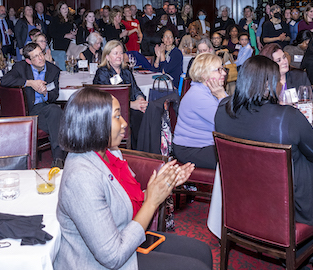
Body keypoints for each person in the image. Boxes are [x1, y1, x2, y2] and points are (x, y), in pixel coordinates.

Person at [54, 87, 210, 270]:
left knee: (203, 252)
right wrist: (151, 201)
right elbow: (113, 257)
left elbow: (120, 201)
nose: (124, 123)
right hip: (100, 263)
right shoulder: (81, 177)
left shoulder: (109, 155)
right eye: (116, 116)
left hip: (125, 237)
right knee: (196, 267)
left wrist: (162, 186)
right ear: (94, 123)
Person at [214, 56, 313, 227]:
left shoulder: (222, 110)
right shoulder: (287, 117)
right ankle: (312, 248)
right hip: (290, 201)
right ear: (268, 84)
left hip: (243, 195)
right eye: (277, 81)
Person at [1, 42, 64, 168]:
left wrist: (45, 93)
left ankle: (58, 158)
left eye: (41, 53)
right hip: (26, 109)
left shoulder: (53, 70)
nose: (40, 58)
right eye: (35, 56)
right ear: (29, 61)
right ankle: (61, 154)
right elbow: (4, 80)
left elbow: (54, 95)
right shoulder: (21, 67)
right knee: (60, 119)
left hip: (44, 108)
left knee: (55, 111)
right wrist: (30, 83)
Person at [172, 53, 227, 169]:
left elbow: (233, 112)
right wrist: (222, 95)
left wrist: (222, 94)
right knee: (234, 158)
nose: (224, 73)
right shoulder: (198, 95)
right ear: (204, 74)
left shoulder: (211, 90)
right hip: (190, 149)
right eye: (218, 70)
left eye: (222, 69)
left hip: (206, 145)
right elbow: (227, 121)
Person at [93, 40, 149, 144]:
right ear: (107, 57)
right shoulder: (102, 73)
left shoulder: (126, 72)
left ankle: (145, 150)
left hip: (129, 110)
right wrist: (131, 104)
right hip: (109, 112)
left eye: (121, 53)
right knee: (136, 116)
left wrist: (140, 99)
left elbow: (136, 89)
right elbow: (106, 99)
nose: (119, 56)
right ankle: (136, 149)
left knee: (147, 111)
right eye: (115, 53)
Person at [50, 2, 76, 69]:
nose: (65, 10)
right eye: (63, 8)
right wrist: (65, 35)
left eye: (66, 8)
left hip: (69, 44)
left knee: (70, 63)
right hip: (60, 44)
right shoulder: (55, 19)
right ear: (59, 10)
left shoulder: (71, 19)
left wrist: (74, 33)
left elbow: (72, 29)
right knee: (62, 65)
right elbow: (52, 33)